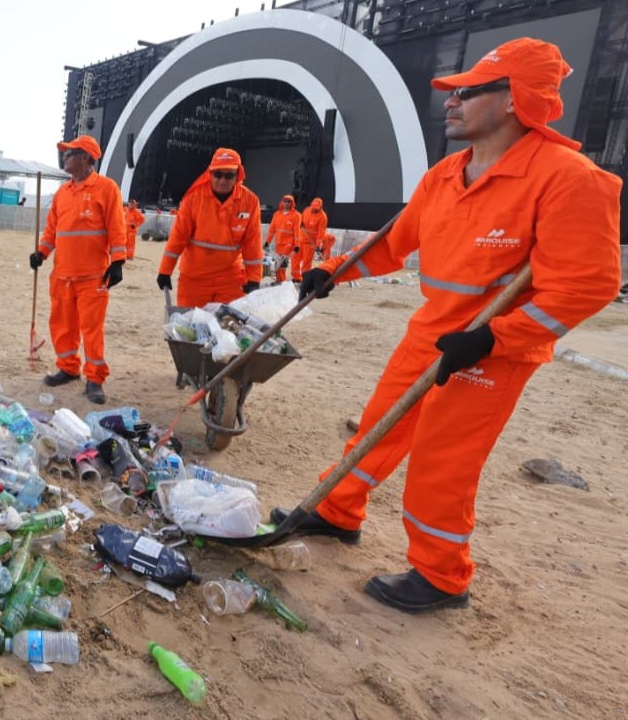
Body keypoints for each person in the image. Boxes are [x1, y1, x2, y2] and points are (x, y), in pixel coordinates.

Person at [281, 38, 622, 613]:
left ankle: (441, 575)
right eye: (454, 92)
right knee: (378, 428)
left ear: (514, 99)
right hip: (433, 330)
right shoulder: (445, 175)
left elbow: (587, 286)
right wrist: (333, 270)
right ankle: (337, 511)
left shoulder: (568, 179)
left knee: (442, 462)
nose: (452, 102)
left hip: (490, 349)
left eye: (469, 91)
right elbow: (395, 241)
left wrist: (495, 337)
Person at [29, 135, 127, 405]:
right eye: (65, 153)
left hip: (93, 276)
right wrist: (41, 252)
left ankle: (95, 379)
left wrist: (118, 261)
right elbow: (52, 230)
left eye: (70, 153)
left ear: (86, 157)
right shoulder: (62, 193)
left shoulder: (106, 188)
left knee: (91, 330)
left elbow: (117, 226)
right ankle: (68, 368)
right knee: (62, 326)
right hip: (62, 275)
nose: (65, 157)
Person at [157, 148, 263, 305]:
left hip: (230, 279)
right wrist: (165, 270)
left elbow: (252, 243)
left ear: (238, 175)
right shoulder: (193, 199)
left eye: (229, 175)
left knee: (228, 319)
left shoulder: (250, 201)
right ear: (210, 173)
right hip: (194, 278)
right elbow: (178, 237)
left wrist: (254, 278)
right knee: (190, 319)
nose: (222, 180)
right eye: (218, 174)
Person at [264, 194, 301, 283]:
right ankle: (279, 281)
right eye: (285, 201)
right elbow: (272, 230)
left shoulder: (296, 215)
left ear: (292, 203)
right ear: (282, 202)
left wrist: (297, 245)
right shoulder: (277, 214)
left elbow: (297, 232)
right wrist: (267, 241)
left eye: (289, 202)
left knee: (282, 263)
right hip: (279, 243)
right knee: (277, 262)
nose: (287, 203)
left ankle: (281, 282)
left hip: (289, 244)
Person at [299, 197, 328, 272]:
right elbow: (301, 220)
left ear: (320, 207)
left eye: (316, 208)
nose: (314, 209)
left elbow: (321, 233)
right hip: (300, 239)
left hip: (310, 243)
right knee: (296, 259)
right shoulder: (306, 210)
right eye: (313, 207)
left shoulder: (323, 217)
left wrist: (318, 245)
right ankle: (296, 277)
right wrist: (299, 222)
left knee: (306, 262)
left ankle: (305, 277)